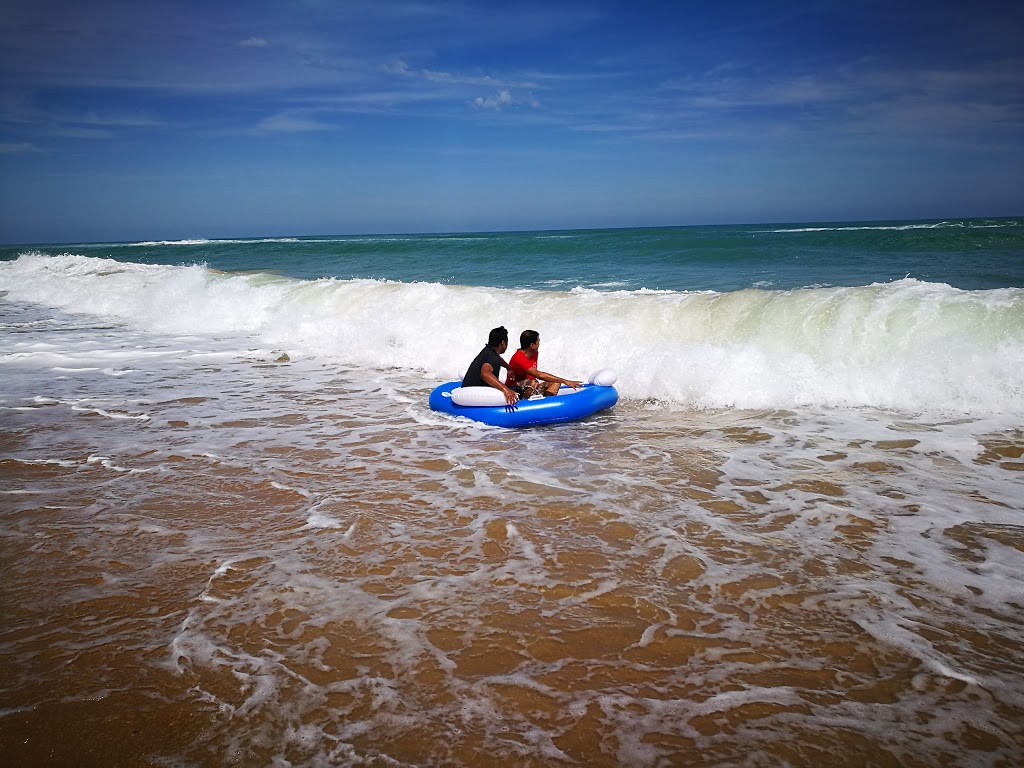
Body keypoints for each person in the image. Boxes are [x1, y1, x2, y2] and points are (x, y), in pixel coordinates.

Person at [506, 329, 582, 398]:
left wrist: (561, 381)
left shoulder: (534, 353)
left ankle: (546, 404)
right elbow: (539, 375)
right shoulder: (519, 357)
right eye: (538, 341)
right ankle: (525, 405)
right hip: (514, 388)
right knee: (532, 382)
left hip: (532, 387)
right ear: (532, 345)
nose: (539, 344)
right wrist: (565, 381)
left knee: (556, 383)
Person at [463, 326, 519, 406]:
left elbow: (499, 359)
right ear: (503, 343)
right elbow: (485, 374)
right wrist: (505, 389)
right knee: (518, 391)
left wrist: (508, 367)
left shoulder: (488, 351)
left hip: (469, 390)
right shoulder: (491, 357)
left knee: (515, 389)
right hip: (475, 395)